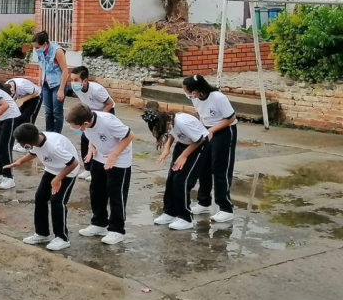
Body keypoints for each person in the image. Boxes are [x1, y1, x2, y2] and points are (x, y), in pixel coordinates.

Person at [67, 104, 135, 245]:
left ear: (85, 123)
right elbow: (92, 134)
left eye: (74, 126)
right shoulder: (88, 123)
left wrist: (114, 155)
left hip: (119, 160)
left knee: (116, 193)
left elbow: (130, 136)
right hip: (99, 157)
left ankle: (117, 230)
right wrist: (92, 147)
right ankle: (99, 223)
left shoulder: (108, 122)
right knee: (96, 190)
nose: (72, 128)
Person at [5, 123, 80, 251]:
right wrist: (20, 161)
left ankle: (62, 238)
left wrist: (58, 178)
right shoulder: (37, 139)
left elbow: (74, 163)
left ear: (27, 144)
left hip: (67, 172)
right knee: (40, 198)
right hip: (52, 169)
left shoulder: (53, 147)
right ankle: (42, 233)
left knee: (57, 202)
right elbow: (34, 153)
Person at [141, 102, 208, 231]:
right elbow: (172, 133)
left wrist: (184, 156)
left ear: (166, 122)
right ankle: (169, 212)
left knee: (181, 181)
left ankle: (185, 217)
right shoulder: (169, 121)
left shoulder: (182, 122)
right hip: (183, 144)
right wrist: (167, 147)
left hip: (198, 146)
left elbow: (199, 140)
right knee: (171, 179)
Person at [183, 75, 238, 224]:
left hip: (224, 130)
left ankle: (226, 208)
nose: (188, 95)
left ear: (197, 90)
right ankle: (203, 202)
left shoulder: (218, 98)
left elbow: (231, 118)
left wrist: (212, 130)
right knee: (204, 166)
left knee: (220, 168)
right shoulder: (194, 98)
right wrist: (202, 130)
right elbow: (202, 115)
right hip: (207, 130)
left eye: (189, 92)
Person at [70, 66, 116, 182]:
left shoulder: (97, 90)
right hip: (90, 114)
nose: (73, 83)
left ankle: (98, 169)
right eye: (72, 80)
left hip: (104, 113)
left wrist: (99, 118)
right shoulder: (76, 88)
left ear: (85, 80)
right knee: (85, 139)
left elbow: (110, 104)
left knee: (99, 141)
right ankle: (88, 168)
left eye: (76, 80)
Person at [32, 31, 68, 133]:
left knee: (57, 112)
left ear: (44, 44)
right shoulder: (41, 52)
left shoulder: (57, 51)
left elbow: (65, 70)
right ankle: (49, 133)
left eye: (37, 47)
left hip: (57, 84)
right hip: (46, 84)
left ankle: (57, 134)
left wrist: (61, 90)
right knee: (48, 112)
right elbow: (41, 66)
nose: (36, 50)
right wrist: (40, 80)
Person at [6, 77, 43, 152]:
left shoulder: (22, 84)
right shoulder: (6, 85)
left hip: (34, 97)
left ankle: (28, 144)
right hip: (21, 98)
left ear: (13, 89)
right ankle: (21, 141)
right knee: (19, 118)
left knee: (27, 119)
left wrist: (22, 100)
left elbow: (35, 92)